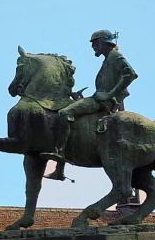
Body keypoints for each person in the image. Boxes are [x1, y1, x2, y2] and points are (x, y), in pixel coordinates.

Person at [43, 29, 138, 181]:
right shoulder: (109, 59)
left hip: (103, 101)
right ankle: (58, 171)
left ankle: (59, 153)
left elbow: (130, 74)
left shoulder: (115, 56)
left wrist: (111, 94)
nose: (93, 47)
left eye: (94, 43)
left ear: (102, 42)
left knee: (64, 114)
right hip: (99, 98)